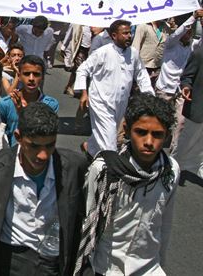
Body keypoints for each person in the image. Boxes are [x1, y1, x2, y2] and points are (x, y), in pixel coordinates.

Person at [0, 103, 88, 276]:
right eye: (35, 146)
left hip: (52, 262)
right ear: (18, 137)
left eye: (49, 145)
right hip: (9, 261)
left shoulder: (74, 167)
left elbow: (80, 222)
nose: (43, 155)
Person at [74, 94, 180, 275]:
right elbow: (87, 220)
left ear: (167, 136)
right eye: (141, 132)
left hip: (149, 267)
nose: (148, 141)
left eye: (157, 135)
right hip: (107, 267)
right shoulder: (104, 170)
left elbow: (165, 223)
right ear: (127, 129)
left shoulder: (170, 170)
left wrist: (161, 262)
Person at [75, 20, 154, 158]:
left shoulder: (133, 54)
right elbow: (82, 70)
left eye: (130, 33)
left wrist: (149, 96)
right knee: (110, 140)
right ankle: (111, 170)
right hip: (101, 102)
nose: (129, 36)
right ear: (113, 36)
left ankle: (90, 149)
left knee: (106, 132)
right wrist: (83, 93)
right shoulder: (103, 53)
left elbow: (141, 75)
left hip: (120, 103)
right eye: (125, 33)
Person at [0, 54, 59, 146]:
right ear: (19, 76)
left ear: (42, 77)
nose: (31, 78)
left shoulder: (50, 105)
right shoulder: (5, 104)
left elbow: (44, 134)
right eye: (26, 74)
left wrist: (21, 112)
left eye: (36, 74)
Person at [173, 43, 203, 179]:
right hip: (198, 107)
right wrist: (186, 86)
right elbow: (187, 76)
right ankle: (173, 167)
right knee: (186, 142)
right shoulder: (199, 54)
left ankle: (199, 167)